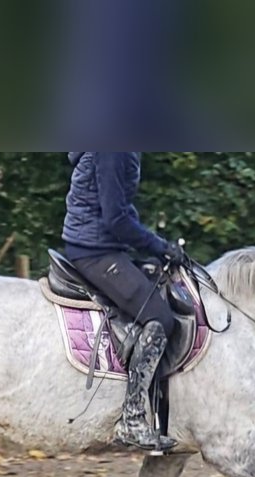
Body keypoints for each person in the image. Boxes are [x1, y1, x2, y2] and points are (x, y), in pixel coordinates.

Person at [61, 151, 188, 452]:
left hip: (102, 245)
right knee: (160, 319)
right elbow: (116, 218)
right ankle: (132, 419)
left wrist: (155, 247)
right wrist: (160, 247)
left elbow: (122, 213)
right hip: (94, 251)